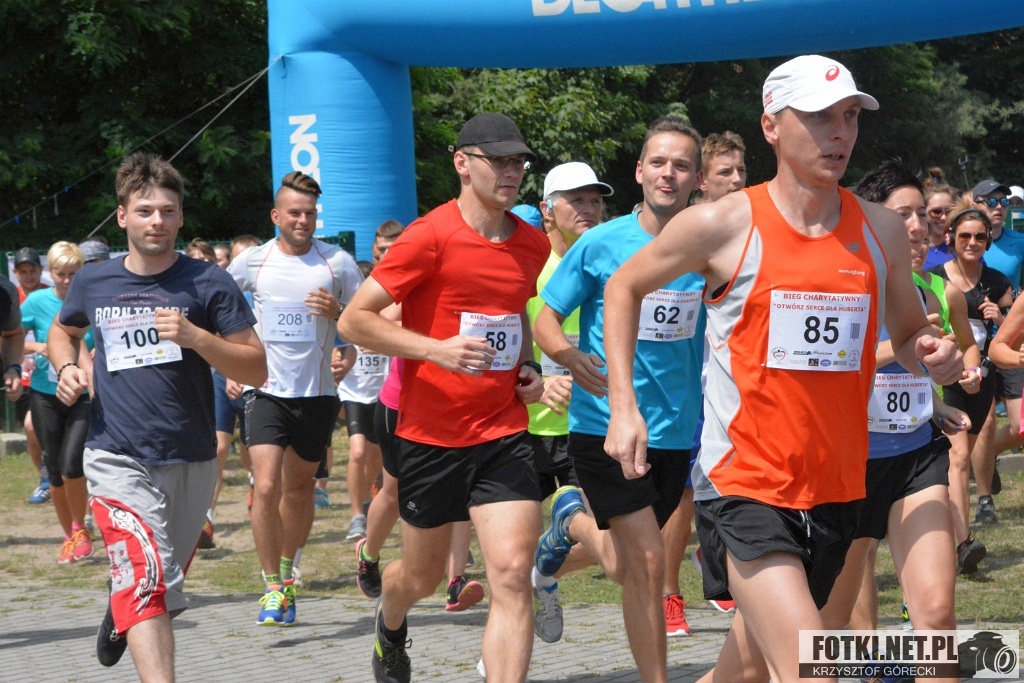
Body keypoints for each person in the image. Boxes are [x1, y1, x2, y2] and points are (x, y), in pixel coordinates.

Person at [601, 55, 963, 683]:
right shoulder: (721, 223)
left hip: (837, 484)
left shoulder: (878, 228)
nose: (840, 133)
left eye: (849, 117)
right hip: (746, 484)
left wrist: (932, 353)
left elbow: (908, 334)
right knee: (814, 666)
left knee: (745, 672)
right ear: (771, 125)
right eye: (820, 117)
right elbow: (623, 287)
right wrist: (624, 407)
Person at [338, 112, 549, 683]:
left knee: (512, 573)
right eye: (498, 160)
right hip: (430, 436)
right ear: (462, 163)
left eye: (518, 161)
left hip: (502, 431)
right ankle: (390, 620)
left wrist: (528, 366)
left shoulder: (532, 243)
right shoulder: (428, 235)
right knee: (422, 577)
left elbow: (513, 316)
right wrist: (435, 350)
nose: (511, 171)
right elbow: (355, 320)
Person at [48, 152, 265, 679]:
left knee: (157, 580)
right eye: (145, 211)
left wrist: (197, 338)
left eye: (168, 211)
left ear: (181, 217)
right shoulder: (94, 280)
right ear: (122, 216)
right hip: (116, 455)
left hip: (191, 457)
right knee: (147, 579)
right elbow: (64, 330)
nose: (157, 221)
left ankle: (120, 603)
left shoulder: (208, 282)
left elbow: (256, 367)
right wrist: (66, 367)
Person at [532, 118, 706, 681]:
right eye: (658, 162)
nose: (668, 173)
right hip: (604, 425)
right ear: (639, 171)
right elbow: (546, 319)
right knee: (650, 562)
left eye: (681, 165)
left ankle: (570, 522)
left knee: (626, 564)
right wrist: (569, 355)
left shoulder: (709, 246)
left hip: (675, 430)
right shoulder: (600, 243)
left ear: (697, 178)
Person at [815, 163, 965, 683]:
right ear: (871, 218)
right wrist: (904, 349)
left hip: (914, 459)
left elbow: (912, 372)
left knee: (936, 616)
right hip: (848, 468)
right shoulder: (837, 281)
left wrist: (935, 398)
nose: (919, 226)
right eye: (903, 215)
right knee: (828, 628)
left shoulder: (923, 291)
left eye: (922, 213)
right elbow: (829, 366)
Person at [229, 171, 362, 626]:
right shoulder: (252, 262)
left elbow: (364, 318)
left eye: (310, 213)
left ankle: (287, 573)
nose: (303, 220)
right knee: (265, 486)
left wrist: (341, 321)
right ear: (276, 216)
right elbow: (218, 306)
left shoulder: (337, 262)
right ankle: (270, 587)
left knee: (300, 489)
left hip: (317, 393)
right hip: (265, 390)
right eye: (294, 213)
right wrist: (231, 362)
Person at [526, 161, 609, 642]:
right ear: (547, 210)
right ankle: (499, 662)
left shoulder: (610, 268)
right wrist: (539, 383)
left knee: (608, 543)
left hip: (587, 426)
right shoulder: (529, 270)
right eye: (576, 200)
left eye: (595, 200)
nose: (589, 209)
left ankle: (545, 569)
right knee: (508, 557)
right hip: (527, 430)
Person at [930, 196, 1011, 553]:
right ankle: (961, 542)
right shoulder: (935, 279)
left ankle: (972, 510)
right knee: (958, 456)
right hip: (947, 375)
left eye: (980, 236)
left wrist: (1000, 317)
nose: (972, 242)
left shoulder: (996, 280)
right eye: (965, 236)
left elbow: (1013, 331)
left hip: (982, 373)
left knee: (976, 443)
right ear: (951, 237)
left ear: (987, 241)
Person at [23, 242, 96, 563]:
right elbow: (10, 336)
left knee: (72, 464)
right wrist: (39, 347)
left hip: (84, 395)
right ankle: (71, 536)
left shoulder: (94, 298)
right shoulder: (37, 301)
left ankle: (80, 526)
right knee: (53, 468)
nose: (66, 281)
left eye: (73, 274)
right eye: (60, 274)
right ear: (50, 273)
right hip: (46, 393)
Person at [970, 179, 1024, 522]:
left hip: (1011, 336)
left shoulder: (1020, 242)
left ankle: (986, 459)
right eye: (991, 201)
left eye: (1003, 200)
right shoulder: (967, 240)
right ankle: (984, 499)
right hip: (975, 345)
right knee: (986, 422)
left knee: (1019, 428)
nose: (999, 206)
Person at [13, 246, 48, 505]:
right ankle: (45, 480)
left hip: (49, 375)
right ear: (15, 273)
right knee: (32, 430)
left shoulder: (50, 294)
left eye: (32, 270)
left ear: (41, 270)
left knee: (34, 426)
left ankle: (56, 479)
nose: (28, 276)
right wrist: (34, 347)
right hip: (23, 377)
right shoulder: (9, 299)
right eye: (23, 271)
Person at [696, 132, 747, 204]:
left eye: (741, 170)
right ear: (702, 180)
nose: (738, 179)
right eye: (725, 172)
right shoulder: (685, 211)